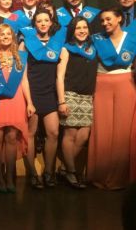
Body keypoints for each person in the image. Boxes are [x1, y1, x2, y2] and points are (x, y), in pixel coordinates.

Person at [0, 24, 33, 193]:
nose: (5, 37)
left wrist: (30, 102)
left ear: (13, 37)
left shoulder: (21, 56)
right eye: (1, 34)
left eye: (8, 34)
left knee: (11, 137)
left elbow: (24, 81)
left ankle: (10, 177)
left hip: (16, 98)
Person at [88, 7, 136, 189]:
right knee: (103, 129)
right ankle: (100, 174)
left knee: (123, 133)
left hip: (126, 83)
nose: (104, 23)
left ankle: (121, 178)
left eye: (108, 19)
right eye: (102, 21)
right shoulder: (97, 39)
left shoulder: (132, 38)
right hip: (102, 85)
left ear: (119, 19)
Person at [18, 8, 66, 189]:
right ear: (34, 24)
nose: (43, 23)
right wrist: (29, 101)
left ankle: (49, 172)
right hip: (32, 93)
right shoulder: (25, 44)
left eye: (46, 20)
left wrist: (61, 100)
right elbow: (23, 76)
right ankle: (32, 173)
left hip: (50, 94)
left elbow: (59, 76)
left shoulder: (57, 44)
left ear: (51, 22)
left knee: (53, 133)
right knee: (30, 134)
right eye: (39, 21)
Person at [56, 17, 97, 189]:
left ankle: (65, 168)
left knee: (83, 136)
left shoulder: (93, 49)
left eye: (84, 27)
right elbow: (59, 76)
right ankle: (72, 172)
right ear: (72, 30)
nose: (81, 30)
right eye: (78, 28)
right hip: (70, 95)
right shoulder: (67, 49)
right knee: (70, 135)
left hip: (87, 97)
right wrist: (62, 101)